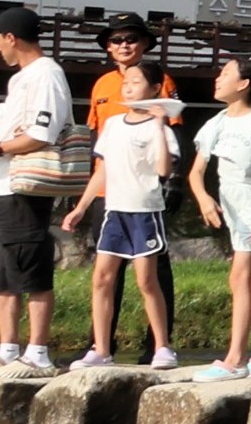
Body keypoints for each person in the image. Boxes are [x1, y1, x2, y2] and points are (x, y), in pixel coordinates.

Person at [0, 9, 76, 372]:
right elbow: (1, 118)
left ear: (11, 37)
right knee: (2, 267)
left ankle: (37, 352)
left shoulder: (47, 75)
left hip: (28, 184)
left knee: (31, 264)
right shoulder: (23, 78)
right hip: (4, 185)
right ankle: (8, 348)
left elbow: (42, 134)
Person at [63, 55, 181, 369]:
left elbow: (163, 169)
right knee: (102, 278)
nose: (127, 88)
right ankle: (101, 349)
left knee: (146, 280)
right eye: (125, 83)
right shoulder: (113, 124)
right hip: (114, 211)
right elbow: (103, 169)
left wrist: (159, 125)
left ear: (155, 88)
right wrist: (81, 206)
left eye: (135, 82)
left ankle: (162, 347)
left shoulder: (162, 129)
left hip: (144, 211)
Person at [187, 59, 251, 381]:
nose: (217, 79)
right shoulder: (216, 122)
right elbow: (196, 172)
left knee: (240, 278)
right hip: (230, 204)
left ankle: (235, 358)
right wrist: (204, 198)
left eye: (225, 74)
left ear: (243, 84)